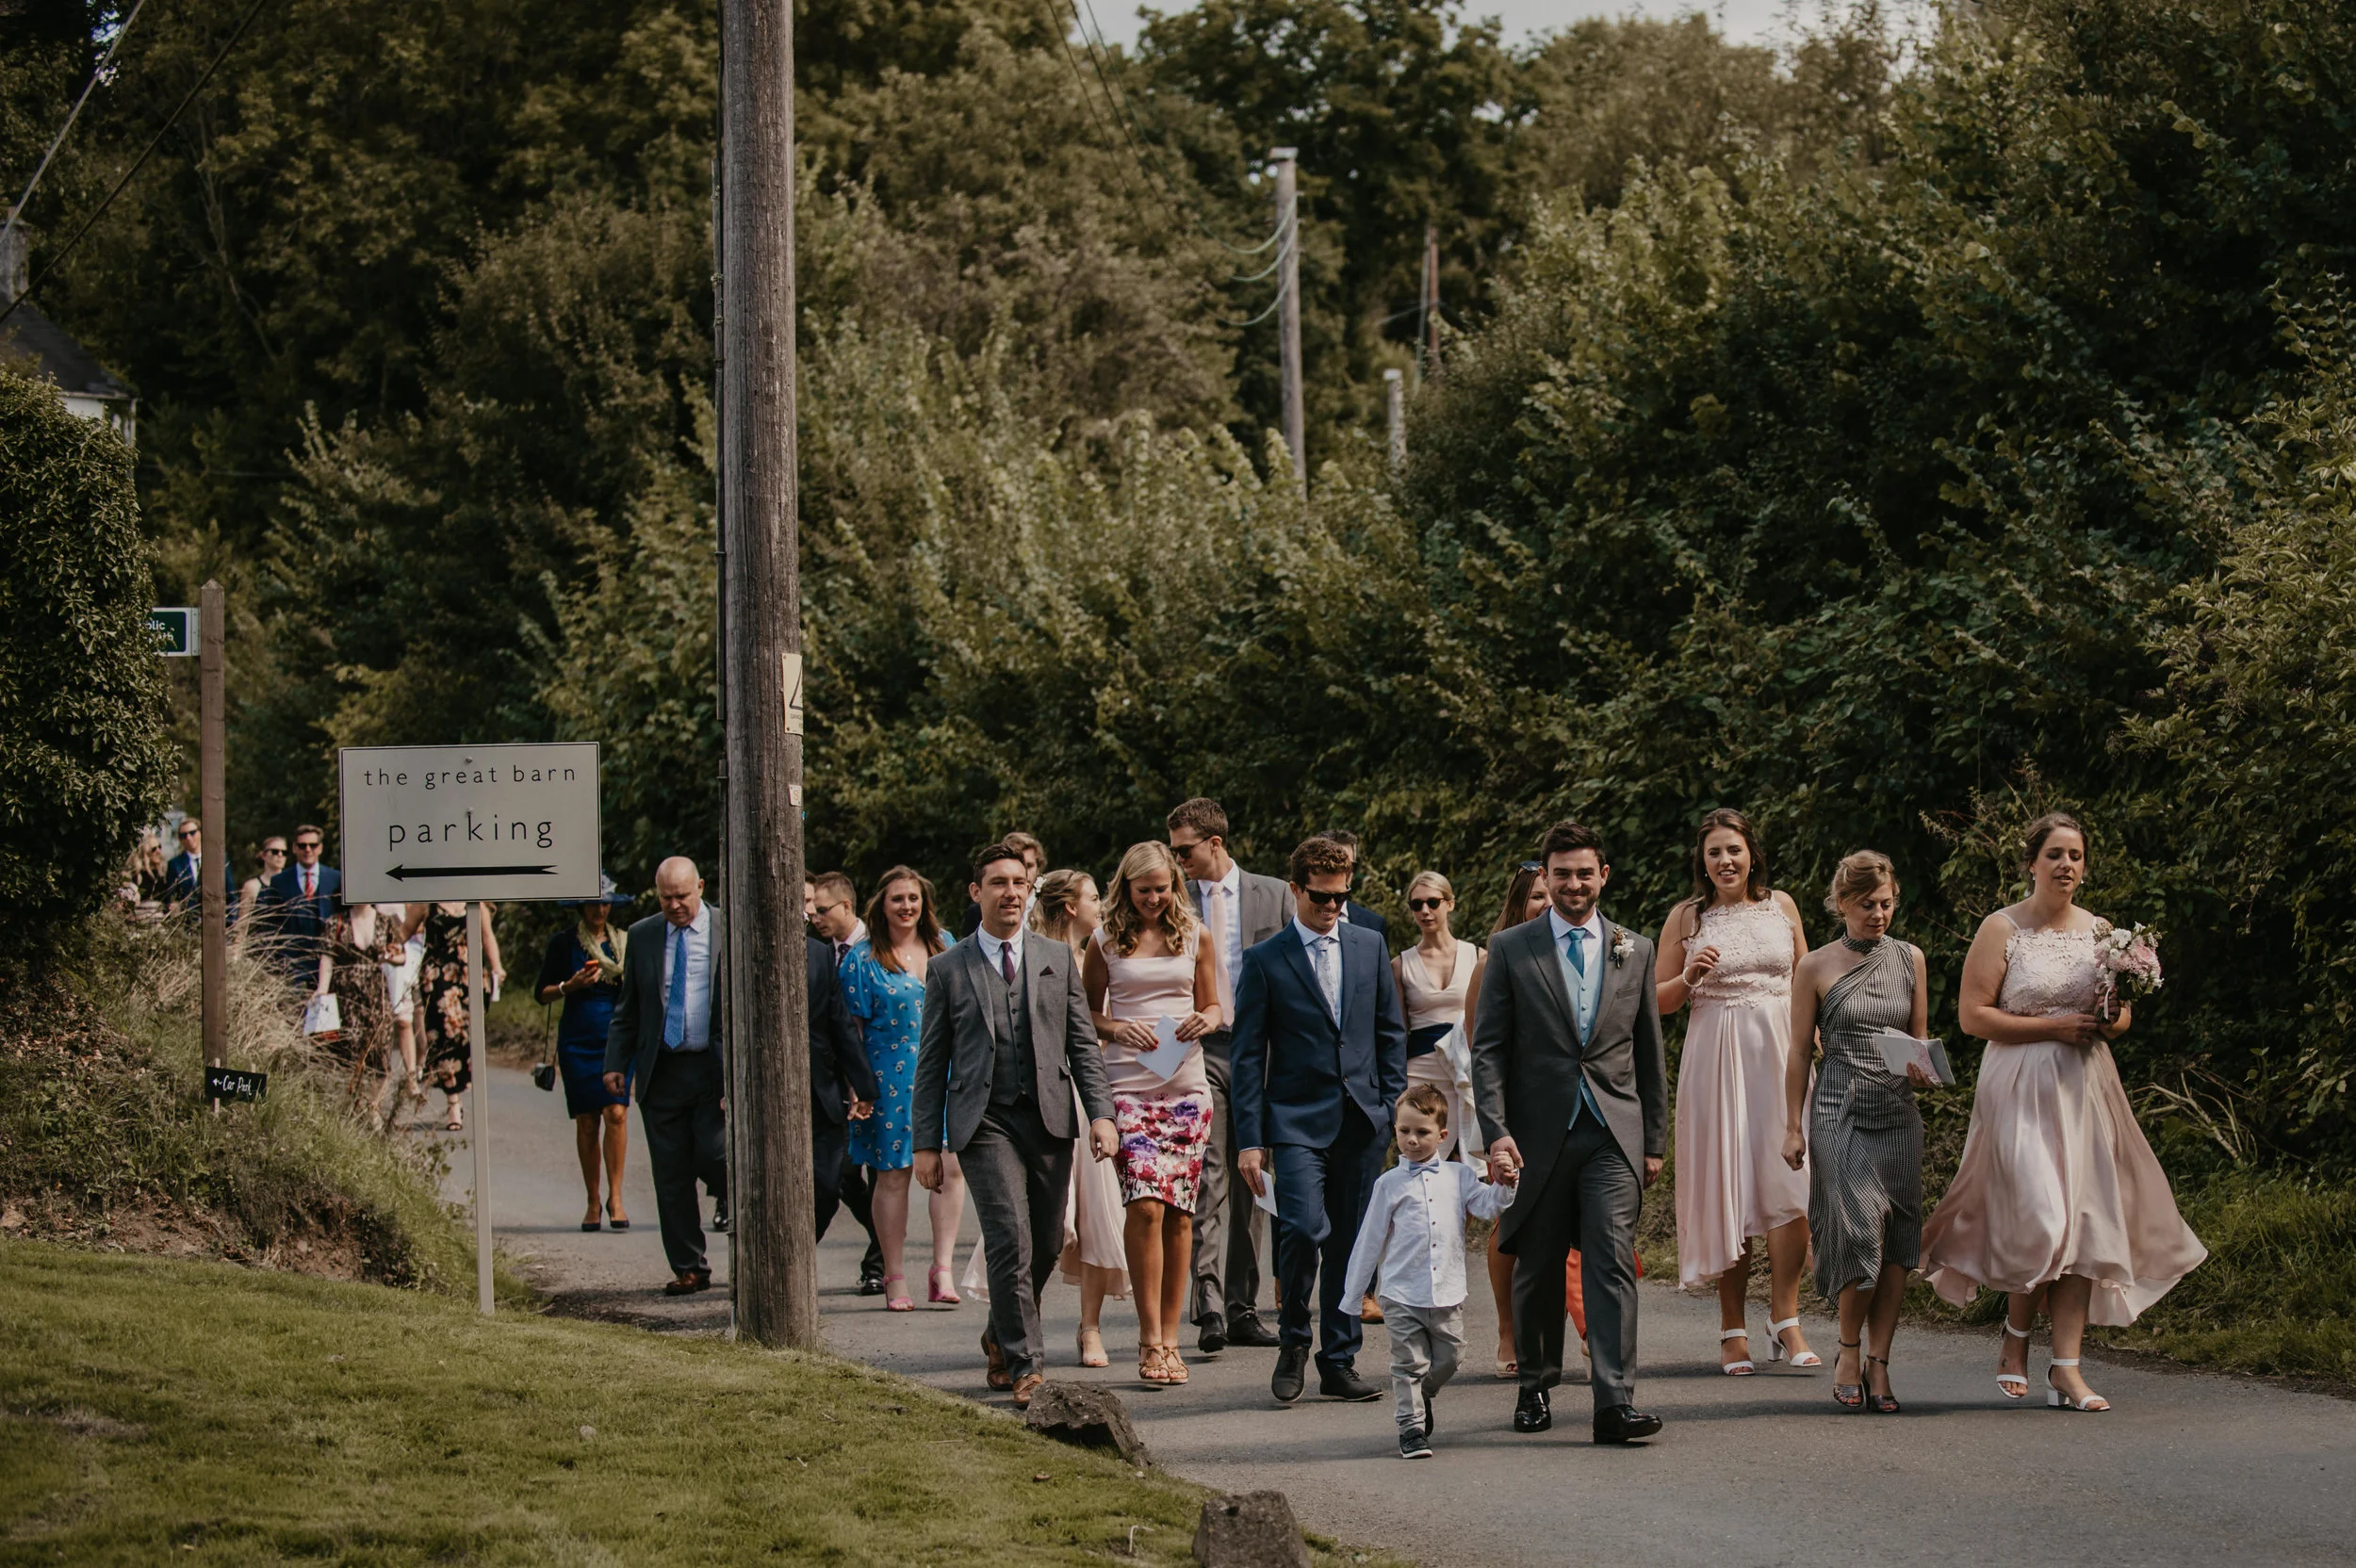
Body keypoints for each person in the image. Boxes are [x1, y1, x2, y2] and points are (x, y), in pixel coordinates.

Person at [1921, 813, 2207, 1413]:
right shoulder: (2001, 929)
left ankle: (2067, 1369)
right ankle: (2016, 1338)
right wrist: (2053, 1026)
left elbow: (2121, 1020)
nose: (2066, 866)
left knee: (2085, 1223)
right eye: (2054, 854)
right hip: (2019, 1083)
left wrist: (2111, 1014)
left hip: (2084, 1087)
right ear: (2031, 863)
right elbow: (1974, 1017)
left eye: (2075, 855)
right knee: (2042, 1217)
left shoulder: (2102, 931)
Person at [1471, 821, 1667, 1446]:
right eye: (1562, 875)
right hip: (1535, 1134)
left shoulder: (1634, 947)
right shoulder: (1511, 949)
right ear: (1546, 879)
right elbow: (1489, 1050)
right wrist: (1496, 1131)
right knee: (1539, 1262)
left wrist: (1654, 1140)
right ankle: (1535, 1382)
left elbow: (1648, 1050)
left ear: (1603, 875)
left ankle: (1614, 1401)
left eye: (1585, 873)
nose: (1574, 884)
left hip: (1613, 1129)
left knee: (1610, 1260)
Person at [912, 841, 1119, 1407]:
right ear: (976, 892)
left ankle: (1001, 1332)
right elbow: (931, 1063)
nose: (1010, 892)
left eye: (1019, 883)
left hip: (1050, 1117)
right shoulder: (948, 968)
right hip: (984, 1123)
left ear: (1029, 893)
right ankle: (1028, 1365)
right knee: (1011, 1237)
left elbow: (1082, 1045)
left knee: (1050, 1240)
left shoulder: (1054, 957)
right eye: (998, 883)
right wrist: (926, 1144)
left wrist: (1101, 1114)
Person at [1231, 835, 1408, 1405]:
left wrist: (1390, 1109)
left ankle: (1339, 1359)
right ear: (1295, 890)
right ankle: (1293, 1340)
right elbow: (1247, 1056)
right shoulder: (1264, 959)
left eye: (1341, 898)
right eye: (1320, 898)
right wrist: (1251, 1140)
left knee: (1353, 1245)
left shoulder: (1368, 945)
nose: (1332, 909)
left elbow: (1389, 1033)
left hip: (1363, 1119)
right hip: (1295, 1121)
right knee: (1303, 1229)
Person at [1654, 808, 1818, 1373]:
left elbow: (1806, 978)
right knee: (1730, 1184)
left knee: (1789, 1183)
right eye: (1714, 853)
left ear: (1752, 855)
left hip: (1779, 1053)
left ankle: (1787, 1319)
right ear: (1702, 862)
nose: (1726, 861)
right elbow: (1657, 1001)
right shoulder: (1686, 916)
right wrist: (1689, 976)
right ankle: (1732, 1328)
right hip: (1716, 1055)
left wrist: (1815, 1033)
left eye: (1734, 850)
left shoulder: (1783, 905)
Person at [1783, 850, 1933, 1413]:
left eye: (1887, 904)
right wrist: (1790, 1127)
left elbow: (1918, 1039)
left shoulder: (1910, 958)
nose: (1879, 915)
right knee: (1860, 1232)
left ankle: (1880, 1361)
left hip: (1896, 1109)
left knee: (1897, 1241)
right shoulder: (1815, 966)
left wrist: (1923, 1067)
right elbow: (1799, 1051)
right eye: (1867, 905)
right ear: (1842, 903)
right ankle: (1848, 1350)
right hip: (1838, 1108)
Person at [1085, 841, 1222, 1385]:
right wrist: (1118, 1027)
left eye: (1162, 889)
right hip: (1128, 1088)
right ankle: (1147, 1338)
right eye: (1144, 890)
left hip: (1186, 1086)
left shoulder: (1195, 935)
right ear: (1127, 887)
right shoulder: (1104, 939)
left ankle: (1171, 1339)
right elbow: (1086, 1013)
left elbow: (1214, 1004)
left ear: (1174, 887)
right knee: (1144, 1207)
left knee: (1181, 1212)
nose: (1153, 899)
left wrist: (1203, 1021)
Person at [1168, 796, 1290, 1356]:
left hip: (1262, 1050)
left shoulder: (1275, 893)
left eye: (1185, 850)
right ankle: (1210, 1303)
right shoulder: (1172, 900)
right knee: (1210, 1172)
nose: (1178, 861)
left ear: (1215, 843)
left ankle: (1243, 1307)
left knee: (1252, 1176)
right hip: (1202, 1049)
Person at [1340, 1085, 1517, 1459]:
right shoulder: (1388, 1185)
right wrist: (1354, 1296)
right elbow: (1369, 1241)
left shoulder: (1458, 1176)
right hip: (1401, 1292)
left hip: (1446, 1290)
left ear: (1442, 1135)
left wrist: (1506, 1184)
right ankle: (1411, 1429)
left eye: (1421, 1132)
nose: (1412, 1140)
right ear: (1395, 1132)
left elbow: (1488, 1207)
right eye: (1404, 1131)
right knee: (1408, 1364)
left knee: (1451, 1356)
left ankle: (1422, 1396)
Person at [839, 865, 964, 1310]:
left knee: (950, 1170)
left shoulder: (946, 946)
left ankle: (942, 1270)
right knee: (893, 1176)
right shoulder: (863, 959)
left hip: (946, 1073)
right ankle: (893, 1276)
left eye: (913, 897)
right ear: (882, 905)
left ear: (924, 903)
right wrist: (857, 1088)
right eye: (897, 898)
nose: (907, 906)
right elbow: (850, 1029)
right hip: (887, 1077)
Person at [603, 858, 728, 1296]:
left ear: (700, 886)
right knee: (671, 1176)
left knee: (716, 1156)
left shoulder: (727, 928)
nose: (675, 905)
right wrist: (615, 1063)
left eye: (682, 896)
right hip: (663, 1069)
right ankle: (689, 1265)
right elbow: (629, 1006)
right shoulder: (643, 935)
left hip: (714, 1069)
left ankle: (743, 1232)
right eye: (666, 897)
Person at [1031, 868, 1130, 1367]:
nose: (1103, 903)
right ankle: (1025, 1323)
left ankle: (1089, 1328)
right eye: (1095, 896)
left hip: (1090, 1092)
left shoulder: (1100, 952)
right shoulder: (1032, 956)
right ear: (1070, 906)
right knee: (1044, 1223)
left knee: (1097, 1216)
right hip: (1044, 1095)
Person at [1468, 860, 1549, 1377]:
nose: (1546, 903)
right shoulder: (1495, 957)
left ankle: (1578, 1328)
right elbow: (1479, 1042)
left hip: (1567, 1104)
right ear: (1519, 902)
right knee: (1511, 1218)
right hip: (1511, 1108)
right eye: (1537, 896)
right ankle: (1507, 1329)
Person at [537, 878, 632, 1232]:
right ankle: (593, 1199)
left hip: (616, 1037)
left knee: (617, 1112)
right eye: (593, 903)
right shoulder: (564, 943)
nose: (599, 909)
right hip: (578, 1038)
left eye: (605, 903)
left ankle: (617, 1197)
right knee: (588, 1120)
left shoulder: (624, 942)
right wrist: (570, 986)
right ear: (581, 906)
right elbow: (542, 993)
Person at [810, 872, 884, 1292]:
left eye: (822, 910)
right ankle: (883, 1244)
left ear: (846, 907)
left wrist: (865, 1085)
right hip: (835, 1085)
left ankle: (878, 1263)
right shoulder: (822, 953)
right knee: (842, 1176)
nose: (815, 917)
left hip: (873, 1076)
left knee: (874, 1173)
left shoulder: (874, 949)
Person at [403, 900, 503, 1132]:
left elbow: (487, 936)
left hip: (470, 974)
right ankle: (453, 1103)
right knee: (449, 1032)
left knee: (467, 1037)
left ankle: (459, 1091)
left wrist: (497, 966)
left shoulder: (475, 902)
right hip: (437, 974)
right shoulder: (428, 902)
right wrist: (389, 948)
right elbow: (405, 931)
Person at [807, 928, 880, 1243]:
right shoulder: (737, 949)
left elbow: (840, 1023)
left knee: (826, 1186)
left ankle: (797, 1251)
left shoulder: (819, 954)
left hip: (820, 1088)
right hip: (760, 1096)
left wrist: (864, 1088)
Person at [315, 900, 401, 1115]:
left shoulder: (385, 922)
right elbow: (327, 958)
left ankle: (372, 1108)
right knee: (349, 1053)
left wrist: (389, 956)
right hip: (346, 998)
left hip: (376, 997)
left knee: (380, 1055)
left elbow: (401, 956)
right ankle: (350, 1108)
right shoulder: (336, 921)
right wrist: (321, 990)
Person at [258, 826, 342, 983]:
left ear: (321, 848)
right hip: (291, 970)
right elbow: (267, 927)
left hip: (330, 969)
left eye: (313, 845)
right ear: (294, 848)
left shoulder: (336, 879)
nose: (308, 850)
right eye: (302, 846)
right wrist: (272, 968)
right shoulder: (279, 881)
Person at [962, 830, 1046, 936]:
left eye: (1029, 866)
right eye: (999, 882)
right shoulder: (977, 912)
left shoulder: (1047, 906)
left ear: (1038, 868)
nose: (1024, 872)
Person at [1317, 828, 1389, 936]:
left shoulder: (1374, 925)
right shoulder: (1294, 920)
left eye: (1348, 866)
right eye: (1334, 864)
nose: (1342, 872)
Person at [161, 816, 232, 919]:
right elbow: (171, 897)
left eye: (192, 833)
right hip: (187, 923)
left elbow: (230, 890)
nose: (188, 838)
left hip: (215, 920)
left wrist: (230, 919)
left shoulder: (218, 859)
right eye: (183, 835)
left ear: (200, 833)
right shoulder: (174, 864)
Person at [237, 837, 287, 931]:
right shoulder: (252, 886)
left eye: (284, 852)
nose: (280, 855)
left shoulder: (291, 883)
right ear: (263, 855)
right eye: (275, 851)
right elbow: (242, 926)